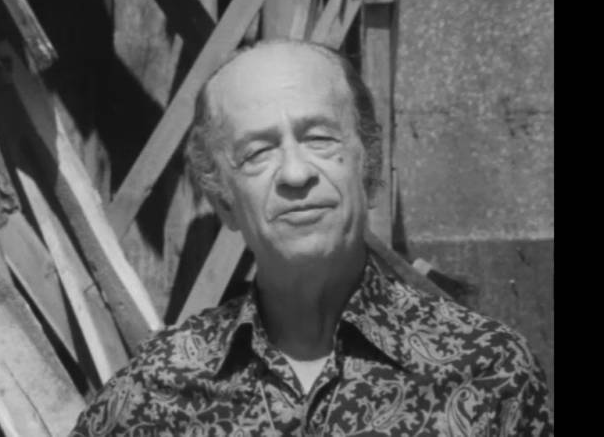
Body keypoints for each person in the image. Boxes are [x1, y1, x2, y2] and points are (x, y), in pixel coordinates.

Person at [70, 39, 553, 436]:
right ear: (224, 202)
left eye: (320, 138)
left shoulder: (486, 369)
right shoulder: (158, 388)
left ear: (367, 166)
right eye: (257, 152)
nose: (296, 173)